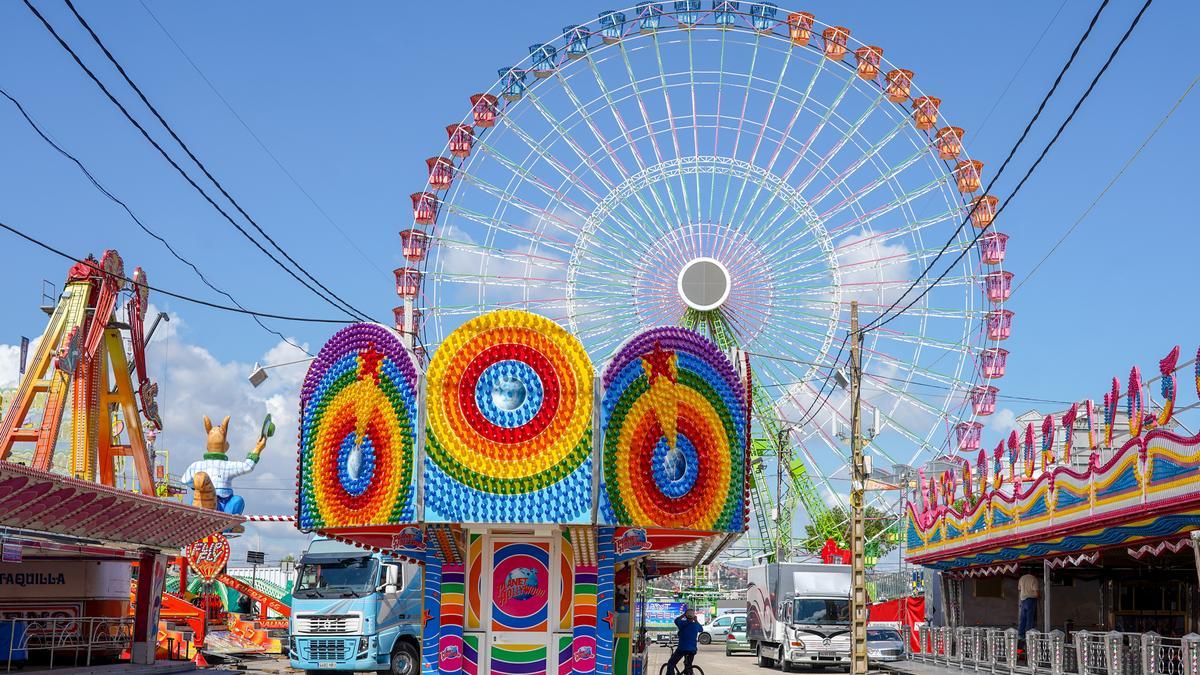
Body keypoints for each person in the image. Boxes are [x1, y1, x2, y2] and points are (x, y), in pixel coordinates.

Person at [666, 607, 702, 675]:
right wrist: (696, 620)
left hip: (682, 649)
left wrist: (683, 615)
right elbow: (701, 629)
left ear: (686, 616)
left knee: (671, 663)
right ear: (693, 617)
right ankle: (689, 672)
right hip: (692, 649)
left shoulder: (682, 623)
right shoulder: (696, 625)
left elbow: (676, 620)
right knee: (688, 665)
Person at [1018, 572, 1040, 639]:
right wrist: (1039, 596)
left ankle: (1021, 635)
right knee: (1030, 619)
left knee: (1023, 619)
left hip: (1023, 600)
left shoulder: (1022, 578)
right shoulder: (1033, 579)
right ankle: (1029, 636)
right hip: (1031, 600)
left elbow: (1019, 589)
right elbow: (1036, 591)